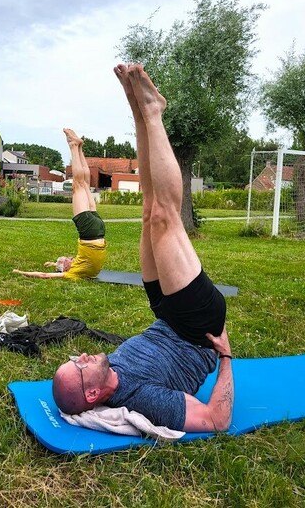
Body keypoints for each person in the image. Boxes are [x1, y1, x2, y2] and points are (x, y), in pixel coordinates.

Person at [52, 64, 234, 433]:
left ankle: (139, 111)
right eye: (80, 365)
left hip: (164, 314)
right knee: (166, 218)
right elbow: (216, 420)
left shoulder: (107, 374)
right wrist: (226, 356)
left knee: (150, 211)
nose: (82, 355)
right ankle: (153, 111)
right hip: (197, 330)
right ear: (93, 394)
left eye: (75, 359)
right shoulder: (141, 399)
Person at [13, 128, 107, 281]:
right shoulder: (72, 272)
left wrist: (53, 263)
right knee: (78, 185)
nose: (68, 258)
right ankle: (74, 146)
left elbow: (55, 268)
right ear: (67, 267)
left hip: (99, 231)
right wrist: (20, 272)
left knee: (85, 183)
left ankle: (79, 147)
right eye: (65, 261)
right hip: (90, 233)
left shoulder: (79, 267)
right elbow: (44, 275)